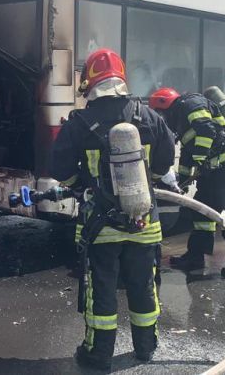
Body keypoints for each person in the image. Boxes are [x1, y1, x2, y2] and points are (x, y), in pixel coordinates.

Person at [51, 49, 176, 370]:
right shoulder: (148, 116)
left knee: (101, 289)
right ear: (122, 79)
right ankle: (146, 347)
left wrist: (82, 185)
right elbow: (165, 161)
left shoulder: (80, 122)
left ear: (90, 83)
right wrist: (147, 183)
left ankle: (98, 353)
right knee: (144, 285)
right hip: (144, 221)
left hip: (101, 225)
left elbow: (59, 167)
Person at [148, 87, 225, 278]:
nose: (160, 118)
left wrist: (200, 158)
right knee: (201, 210)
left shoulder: (190, 105)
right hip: (212, 166)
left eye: (159, 113)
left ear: (164, 105)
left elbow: (207, 130)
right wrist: (182, 181)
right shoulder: (180, 119)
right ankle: (195, 256)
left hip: (224, 162)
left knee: (224, 211)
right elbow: (188, 150)